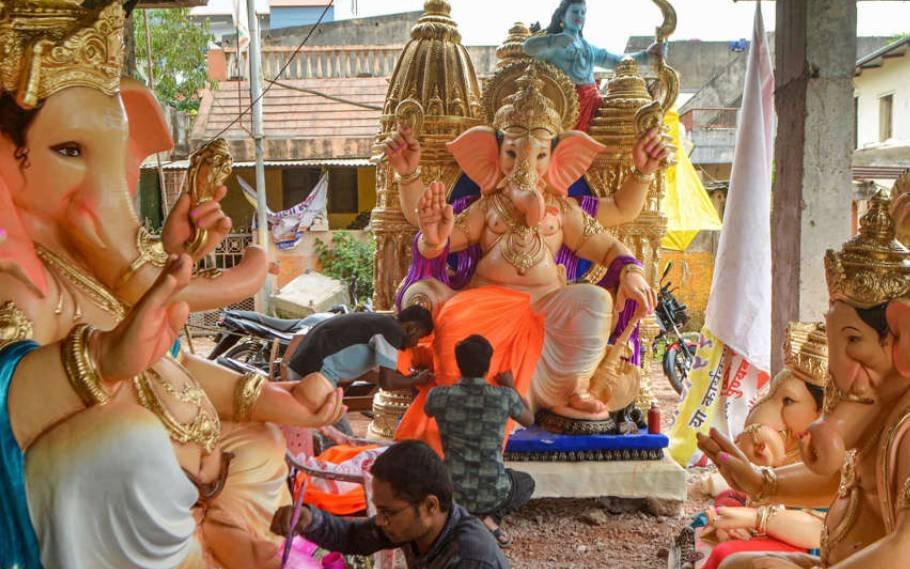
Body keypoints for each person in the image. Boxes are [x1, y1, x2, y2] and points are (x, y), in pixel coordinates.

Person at [271, 439, 508, 569]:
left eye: (388, 512)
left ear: (430, 506)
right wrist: (310, 520)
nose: (381, 520)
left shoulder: (470, 558)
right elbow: (354, 537)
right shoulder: (415, 526)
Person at [426, 335, 535, 548]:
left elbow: (426, 408)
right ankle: (489, 520)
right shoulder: (504, 396)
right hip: (493, 491)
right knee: (525, 482)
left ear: (458, 364)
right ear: (489, 364)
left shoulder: (439, 396)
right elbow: (529, 420)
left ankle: (462, 520)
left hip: (451, 491)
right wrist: (512, 385)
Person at [524, 0, 664, 130]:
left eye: (583, 12)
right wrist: (553, 41)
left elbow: (617, 61)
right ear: (562, 16)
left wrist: (647, 55)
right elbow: (527, 47)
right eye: (575, 11)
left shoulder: (587, 48)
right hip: (569, 108)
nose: (579, 15)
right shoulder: (553, 45)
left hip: (594, 101)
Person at [286, 306, 435, 410]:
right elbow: (387, 382)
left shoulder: (381, 323)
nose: (416, 344)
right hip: (315, 372)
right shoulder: (392, 331)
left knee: (314, 428)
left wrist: (404, 378)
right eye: (419, 338)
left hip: (303, 366)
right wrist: (416, 381)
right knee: (337, 433)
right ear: (411, 329)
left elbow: (364, 373)